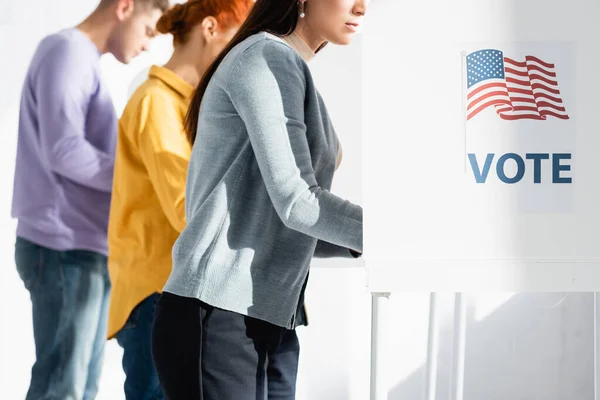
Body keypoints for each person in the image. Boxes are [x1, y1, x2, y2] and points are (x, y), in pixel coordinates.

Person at [151, 0, 367, 398]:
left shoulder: (294, 72)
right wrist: (388, 230)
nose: (362, 7)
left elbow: (284, 222)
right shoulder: (265, 57)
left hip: (270, 320)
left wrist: (367, 243)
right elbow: (297, 201)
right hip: (218, 315)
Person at [11, 0, 168, 399]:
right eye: (149, 30)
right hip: (63, 247)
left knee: (79, 388)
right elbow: (63, 149)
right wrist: (138, 176)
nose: (148, 46)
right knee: (62, 388)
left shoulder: (81, 58)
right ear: (125, 7)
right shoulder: (67, 50)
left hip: (82, 247)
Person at [106, 1, 253, 399]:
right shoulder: (156, 102)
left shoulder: (191, 106)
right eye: (237, 42)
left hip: (173, 293)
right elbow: (187, 207)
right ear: (210, 28)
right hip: (156, 294)